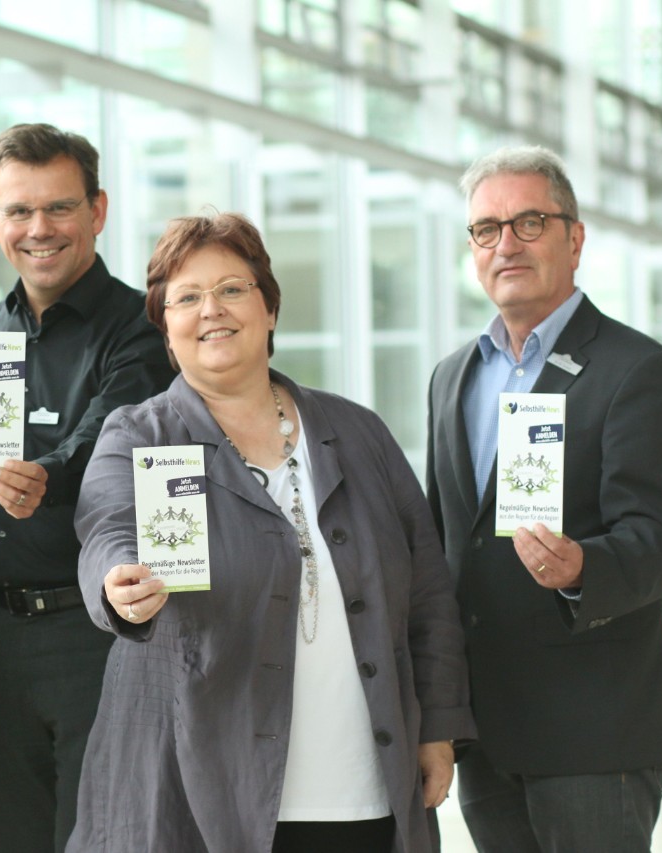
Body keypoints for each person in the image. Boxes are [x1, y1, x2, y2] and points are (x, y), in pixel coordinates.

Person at [69, 212, 475, 853]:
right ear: (165, 330)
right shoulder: (138, 433)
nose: (213, 310)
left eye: (232, 288)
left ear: (270, 309)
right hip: (202, 787)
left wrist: (440, 727)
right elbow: (108, 529)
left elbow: (427, 589)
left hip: (363, 781)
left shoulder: (358, 432)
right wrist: (119, 583)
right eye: (188, 297)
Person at [427, 146, 662, 852]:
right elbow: (447, 546)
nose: (505, 243)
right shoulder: (453, 378)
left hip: (593, 732)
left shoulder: (639, 370)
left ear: (575, 238)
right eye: (487, 228)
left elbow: (657, 539)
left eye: (529, 222)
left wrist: (581, 567)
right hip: (487, 730)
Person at [0, 123, 176, 852]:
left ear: (98, 210)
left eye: (59, 208)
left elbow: (109, 440)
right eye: (18, 210)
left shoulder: (140, 327)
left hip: (96, 636)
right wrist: (0, 485)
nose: (38, 229)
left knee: (104, 839)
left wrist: (41, 478)